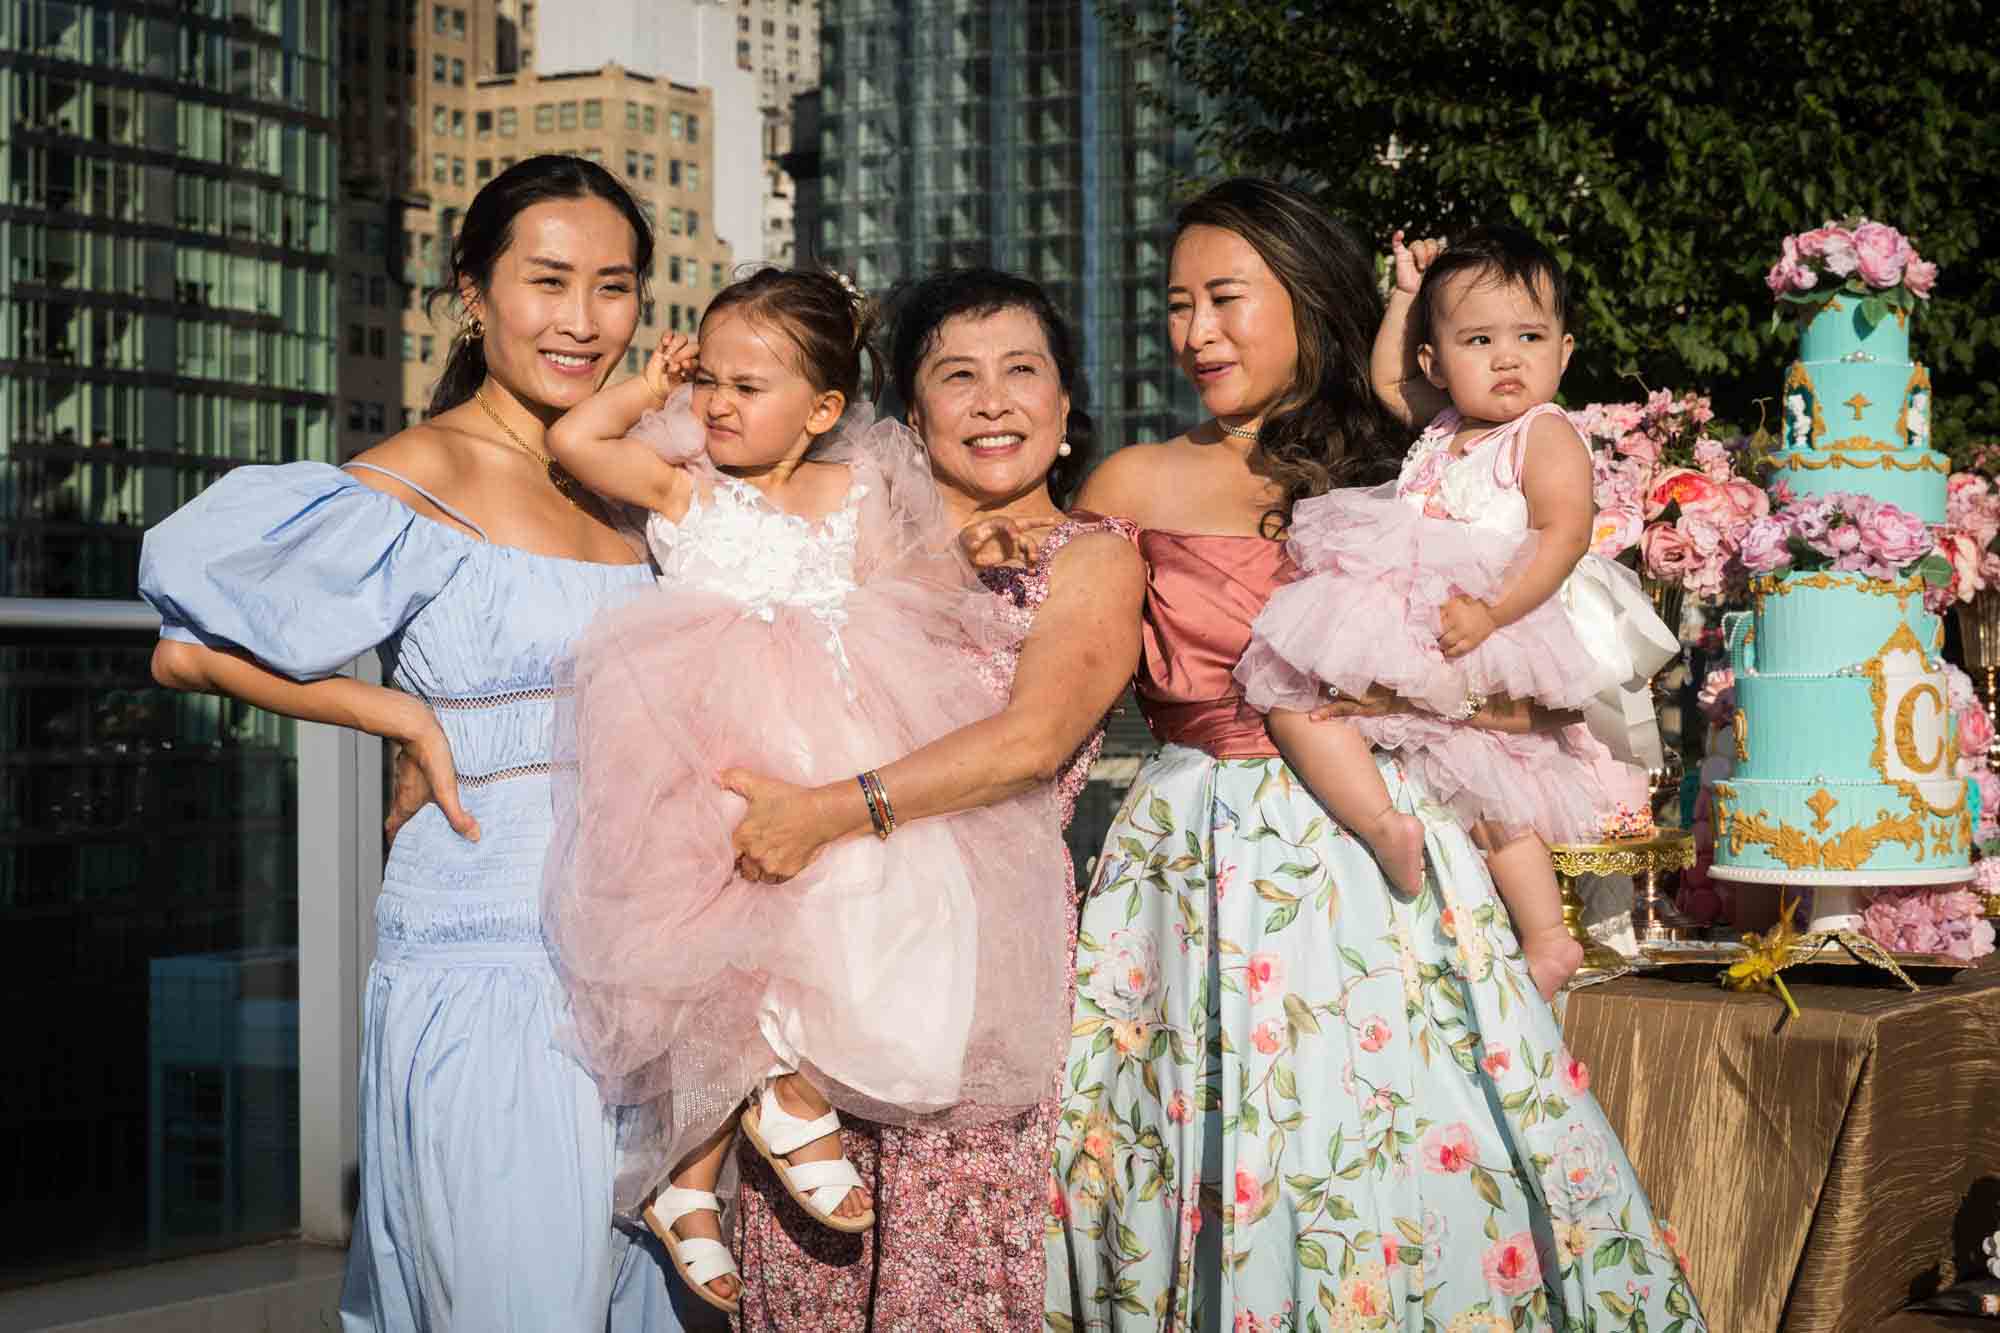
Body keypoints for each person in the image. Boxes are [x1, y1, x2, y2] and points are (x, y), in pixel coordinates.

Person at [1046, 177, 1705, 1330]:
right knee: (1197, 1148)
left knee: (1396, 1137)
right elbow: (1058, 689)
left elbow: (1527, 669)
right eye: (1175, 303)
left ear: (1304, 299)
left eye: (1223, 299)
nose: (1194, 331)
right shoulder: (1126, 485)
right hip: (1195, 863)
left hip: (1391, 860)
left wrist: (1454, 697)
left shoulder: (1408, 465)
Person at [138, 156, 693, 1332]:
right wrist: (393, 714)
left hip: (648, 966)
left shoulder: (634, 478)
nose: (582, 321)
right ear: (471, 293)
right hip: (489, 963)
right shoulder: (419, 477)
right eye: (548, 281)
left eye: (614, 286)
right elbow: (185, 647)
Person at [537, 267, 1076, 1319]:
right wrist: (652, 384)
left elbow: (914, 589)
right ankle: (689, 1170)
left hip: (839, 730)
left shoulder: (857, 487)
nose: (720, 404)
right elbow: (576, 444)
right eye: (711, 383)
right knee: (719, 955)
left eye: (750, 386)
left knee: (892, 909)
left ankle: (794, 1095)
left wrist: (973, 565)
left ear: (823, 409)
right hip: (710, 742)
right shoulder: (687, 483)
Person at [719, 268, 1146, 1331]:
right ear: (913, 414)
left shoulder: (1086, 556)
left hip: (977, 968)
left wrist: (824, 808)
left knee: (947, 1265)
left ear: (1060, 407)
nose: (991, 400)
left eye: (1020, 372)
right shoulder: (839, 541)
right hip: (813, 944)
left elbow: (1030, 740)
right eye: (957, 376)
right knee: (802, 1267)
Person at [1233, 224, 1669, 999]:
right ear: (1438, 362)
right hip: (1422, 623)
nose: (1507, 357)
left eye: (1529, 337)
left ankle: (1547, 937)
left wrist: (1495, 614)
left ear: (1564, 352)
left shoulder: (1543, 433)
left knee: (1500, 793)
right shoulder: (1442, 426)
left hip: (1494, 618)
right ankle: (1396, 851)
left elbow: (1564, 535)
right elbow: (1389, 385)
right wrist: (1404, 296)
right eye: (1479, 340)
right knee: (1334, 720)